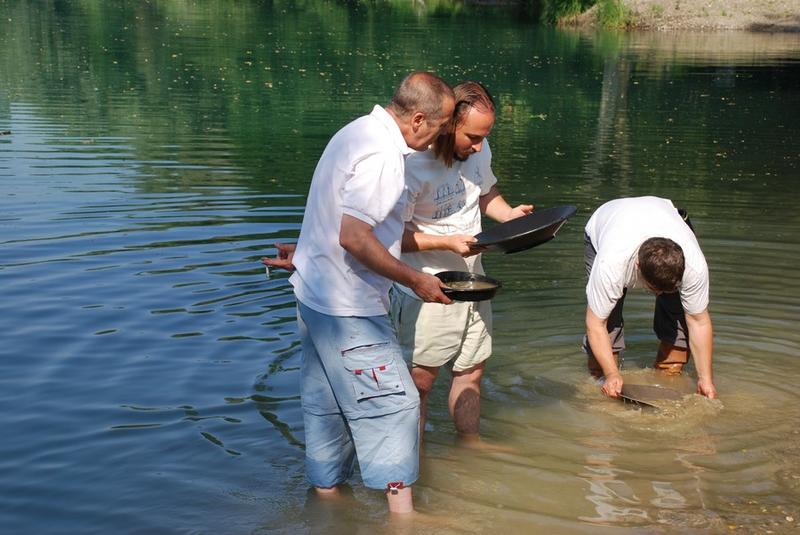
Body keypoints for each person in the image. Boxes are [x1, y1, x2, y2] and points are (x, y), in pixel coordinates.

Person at [262, 72, 455, 515]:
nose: (440, 136)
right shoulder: (385, 156)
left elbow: (329, 212)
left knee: (327, 410)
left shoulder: (355, 131)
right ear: (420, 119)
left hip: (315, 298)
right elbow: (353, 235)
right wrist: (415, 279)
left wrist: (307, 250)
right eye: (442, 126)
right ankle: (405, 522)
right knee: (397, 409)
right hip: (349, 308)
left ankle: (327, 511)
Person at [390, 81, 533, 444]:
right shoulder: (410, 162)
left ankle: (471, 447)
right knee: (419, 383)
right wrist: (446, 242)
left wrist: (510, 215)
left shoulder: (478, 150)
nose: (480, 145)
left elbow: (485, 194)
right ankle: (413, 462)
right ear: (450, 123)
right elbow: (390, 237)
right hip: (425, 284)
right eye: (472, 136)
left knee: (472, 370)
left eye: (486, 136)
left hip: (474, 280)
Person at [582, 196, 717, 399]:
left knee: (678, 311)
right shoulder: (610, 265)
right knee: (608, 316)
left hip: (661, 215)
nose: (660, 294)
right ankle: (603, 378)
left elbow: (698, 322)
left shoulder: (694, 266)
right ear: (638, 267)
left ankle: (669, 372)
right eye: (655, 289)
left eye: (669, 288)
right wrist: (612, 374)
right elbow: (595, 324)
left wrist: (705, 379)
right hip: (606, 221)